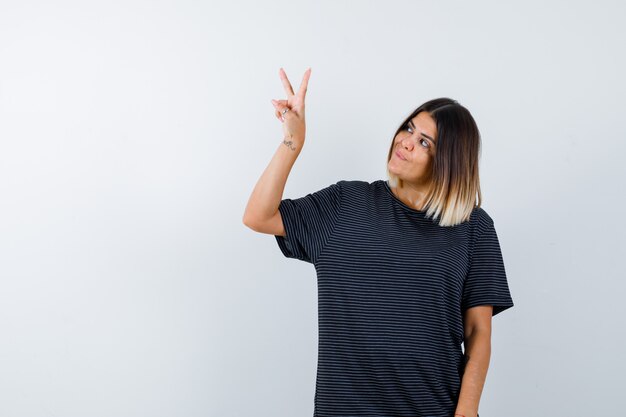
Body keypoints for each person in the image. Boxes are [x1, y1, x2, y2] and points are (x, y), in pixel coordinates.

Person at [243, 67, 514, 417]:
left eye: (424, 142)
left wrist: (467, 412)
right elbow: (258, 216)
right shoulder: (345, 204)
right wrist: (292, 141)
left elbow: (478, 331)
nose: (405, 141)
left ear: (449, 162)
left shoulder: (474, 228)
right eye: (409, 128)